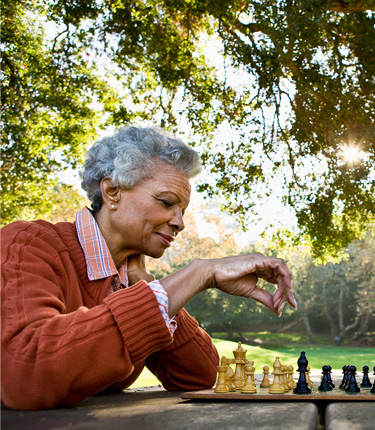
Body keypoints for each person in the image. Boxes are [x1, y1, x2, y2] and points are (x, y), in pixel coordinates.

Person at [1, 126, 297, 411]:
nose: (179, 222)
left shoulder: (129, 278)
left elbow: (201, 377)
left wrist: (148, 285)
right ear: (112, 191)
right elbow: (24, 373)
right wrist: (197, 274)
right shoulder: (28, 245)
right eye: (167, 202)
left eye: (182, 211)